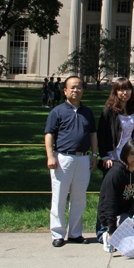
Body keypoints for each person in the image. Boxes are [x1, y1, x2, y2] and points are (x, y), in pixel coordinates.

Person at [44, 76, 98, 247]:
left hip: (83, 158)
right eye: (72, 87)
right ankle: (58, 234)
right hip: (63, 158)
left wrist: (94, 155)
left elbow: (93, 135)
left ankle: (75, 233)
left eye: (79, 87)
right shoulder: (57, 112)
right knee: (59, 197)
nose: (76, 90)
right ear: (65, 91)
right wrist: (50, 156)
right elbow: (49, 134)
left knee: (79, 198)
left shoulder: (87, 112)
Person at [96, 77, 134, 243]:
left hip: (129, 159)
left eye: (127, 89)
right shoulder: (109, 111)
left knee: (126, 195)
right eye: (121, 90)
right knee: (109, 196)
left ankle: (121, 228)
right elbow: (102, 135)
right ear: (115, 92)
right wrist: (105, 156)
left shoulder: (133, 111)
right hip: (113, 159)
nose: (125, 93)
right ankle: (103, 230)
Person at [98, 139, 134, 254]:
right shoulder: (116, 173)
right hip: (110, 214)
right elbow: (109, 203)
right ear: (125, 154)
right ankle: (106, 234)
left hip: (127, 211)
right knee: (128, 235)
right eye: (132, 154)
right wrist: (111, 230)